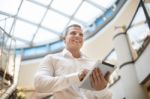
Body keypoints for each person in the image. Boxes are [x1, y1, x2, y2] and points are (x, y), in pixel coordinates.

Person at [34, 24, 112, 99]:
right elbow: (39, 83)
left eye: (81, 34)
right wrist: (77, 77)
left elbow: (107, 97)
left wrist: (101, 90)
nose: (78, 36)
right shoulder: (51, 59)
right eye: (73, 33)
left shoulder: (92, 64)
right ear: (64, 39)